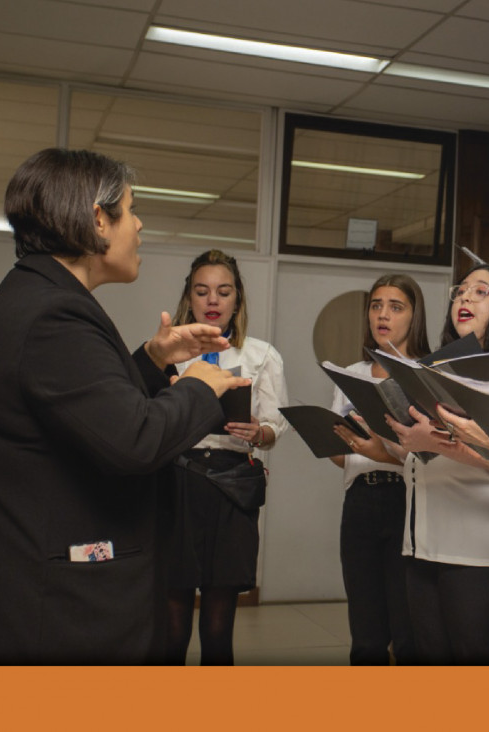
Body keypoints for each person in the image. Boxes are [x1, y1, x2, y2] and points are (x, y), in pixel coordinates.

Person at [0, 148, 246, 663]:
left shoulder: (35, 296)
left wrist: (151, 358)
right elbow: (134, 440)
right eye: (131, 209)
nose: (139, 225)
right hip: (59, 609)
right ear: (98, 220)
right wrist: (201, 386)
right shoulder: (56, 315)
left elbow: (83, 411)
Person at [387, 264, 489, 663]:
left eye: (481, 292)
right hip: (422, 545)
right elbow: (422, 456)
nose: (463, 298)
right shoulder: (431, 367)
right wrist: (397, 438)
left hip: (484, 551)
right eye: (460, 291)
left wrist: (446, 443)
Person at [165, 250, 289, 666]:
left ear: (238, 299)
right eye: (202, 291)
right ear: (189, 297)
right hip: (178, 481)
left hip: (232, 485)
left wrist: (261, 431)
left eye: (223, 291)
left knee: (218, 628)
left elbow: (276, 426)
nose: (213, 300)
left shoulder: (262, 355)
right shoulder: (169, 353)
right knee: (171, 624)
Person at [327, 273, 430, 664]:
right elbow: (341, 456)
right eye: (376, 305)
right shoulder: (349, 374)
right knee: (366, 630)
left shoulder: (425, 374)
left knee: (406, 630)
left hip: (409, 501)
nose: (382, 314)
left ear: (413, 316)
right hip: (359, 502)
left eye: (395, 306)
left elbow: (433, 456)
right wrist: (336, 442)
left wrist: (379, 447)